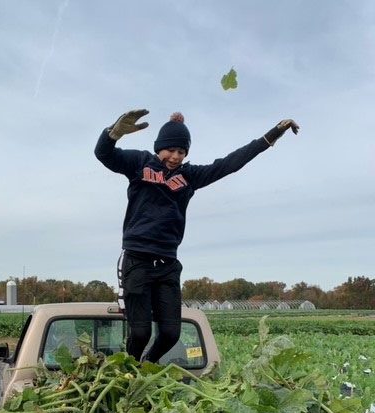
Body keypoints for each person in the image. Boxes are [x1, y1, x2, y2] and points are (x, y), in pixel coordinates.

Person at [94, 109, 299, 362]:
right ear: (160, 148)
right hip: (137, 260)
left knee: (170, 333)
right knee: (141, 331)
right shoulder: (139, 163)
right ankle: (128, 371)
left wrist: (271, 135)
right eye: (171, 150)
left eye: (181, 152)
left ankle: (146, 365)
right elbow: (103, 154)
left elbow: (230, 164)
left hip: (168, 263)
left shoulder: (189, 177)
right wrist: (112, 134)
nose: (175, 157)